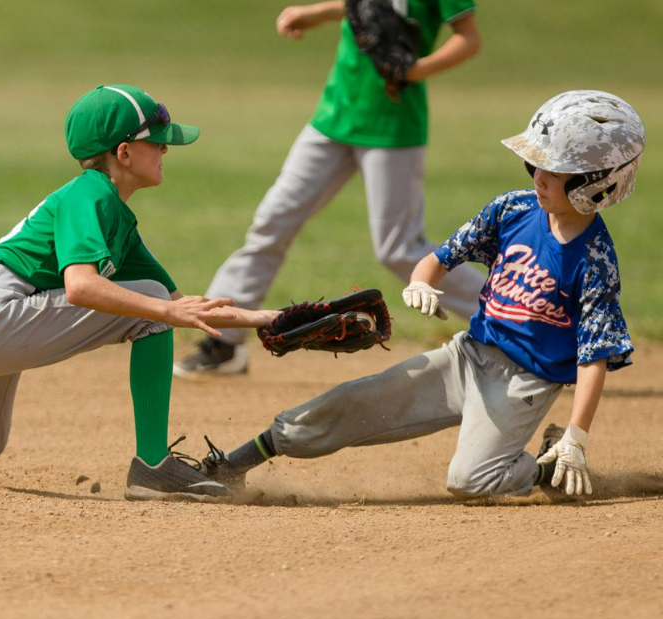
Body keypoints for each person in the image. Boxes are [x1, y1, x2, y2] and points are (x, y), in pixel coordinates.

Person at [198, 90, 646, 500]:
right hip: (466, 357)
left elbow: (593, 357)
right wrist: (420, 281)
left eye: (556, 170)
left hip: (522, 385)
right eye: (536, 165)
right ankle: (232, 464)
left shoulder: (594, 258)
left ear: (597, 181)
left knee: (470, 482)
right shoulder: (512, 209)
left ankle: (546, 469)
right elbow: (442, 256)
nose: (539, 177)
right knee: (353, 401)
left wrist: (576, 436)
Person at [0, 84, 279, 503]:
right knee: (151, 307)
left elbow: (182, 307)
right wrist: (161, 309)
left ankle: (153, 467)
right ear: (124, 153)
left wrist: (274, 319)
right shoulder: (92, 194)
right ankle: (153, 466)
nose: (165, 150)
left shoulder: (116, 218)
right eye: (156, 141)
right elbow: (83, 286)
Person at [173, 0, 485, 377]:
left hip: (393, 125)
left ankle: (516, 320)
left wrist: (415, 70)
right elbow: (363, 7)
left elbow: (468, 38)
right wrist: (317, 13)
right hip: (333, 117)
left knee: (398, 248)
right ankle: (223, 342)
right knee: (273, 221)